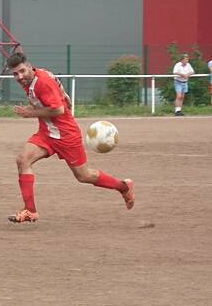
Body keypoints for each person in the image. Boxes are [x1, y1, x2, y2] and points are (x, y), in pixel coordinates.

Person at [7, 52, 134, 223]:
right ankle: (30, 211)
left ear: (29, 67)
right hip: (46, 133)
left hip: (66, 135)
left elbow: (58, 110)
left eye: (22, 71)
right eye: (15, 74)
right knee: (23, 160)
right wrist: (65, 95)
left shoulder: (42, 82)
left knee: (83, 176)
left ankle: (123, 187)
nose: (19, 76)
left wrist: (31, 113)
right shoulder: (34, 78)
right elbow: (56, 82)